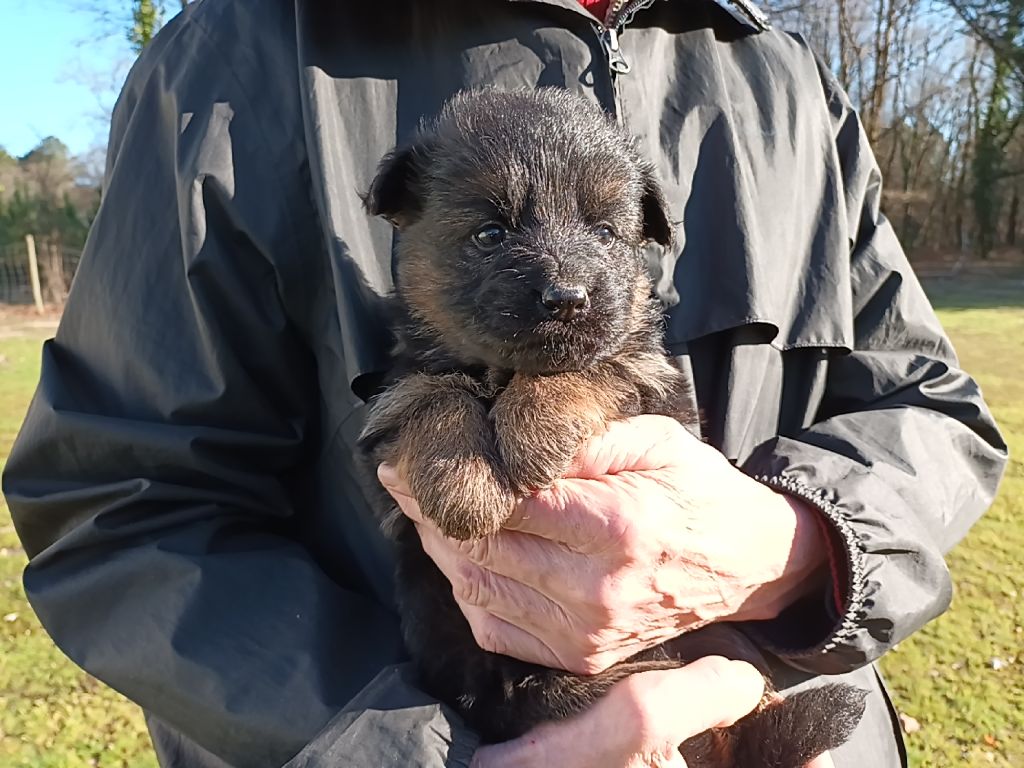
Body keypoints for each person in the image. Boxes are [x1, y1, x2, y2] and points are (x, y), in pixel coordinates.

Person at [2, 0, 1007, 767]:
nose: (565, 280)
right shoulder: (239, 58)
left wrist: (798, 545)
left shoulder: (784, 77)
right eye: (489, 233)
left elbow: (928, 408)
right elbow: (121, 506)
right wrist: (441, 753)